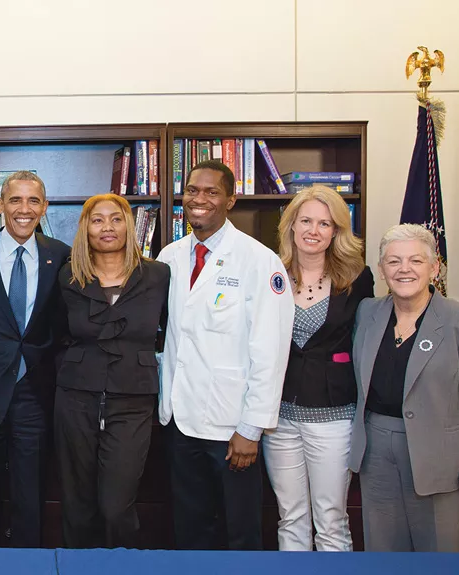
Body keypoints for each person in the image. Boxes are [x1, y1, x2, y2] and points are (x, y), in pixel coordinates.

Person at [157, 159, 294, 550]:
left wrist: (251, 428)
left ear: (230, 200)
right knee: (189, 528)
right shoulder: (170, 256)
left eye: (211, 192)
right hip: (180, 420)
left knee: (239, 532)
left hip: (232, 428)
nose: (199, 200)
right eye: (192, 191)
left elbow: (271, 351)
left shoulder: (259, 261)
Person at [349, 223, 459, 552]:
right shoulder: (367, 312)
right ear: (381, 269)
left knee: (441, 558)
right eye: (394, 261)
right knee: (382, 556)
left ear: (434, 268)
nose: (404, 269)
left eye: (416, 261)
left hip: (443, 465)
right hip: (376, 455)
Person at [0, 171, 70, 547]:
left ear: (44, 207)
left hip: (35, 392)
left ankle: (29, 563)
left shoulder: (60, 255)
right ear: (0, 205)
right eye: (16, 200)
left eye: (33, 200)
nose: (24, 209)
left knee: (30, 491)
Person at [262, 184, 374, 551]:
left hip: (334, 414)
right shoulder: (269, 273)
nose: (313, 230)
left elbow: (366, 343)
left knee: (331, 519)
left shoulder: (359, 279)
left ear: (336, 231)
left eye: (324, 224)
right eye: (306, 220)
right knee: (290, 516)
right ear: (291, 225)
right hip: (278, 417)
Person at [53, 194, 169, 549]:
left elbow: (168, 330)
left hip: (133, 399)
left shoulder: (158, 275)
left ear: (129, 226)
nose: (107, 227)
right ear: (85, 229)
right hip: (76, 398)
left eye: (116, 219)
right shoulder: (68, 277)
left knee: (116, 505)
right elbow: (57, 333)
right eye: (98, 219)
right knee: (77, 504)